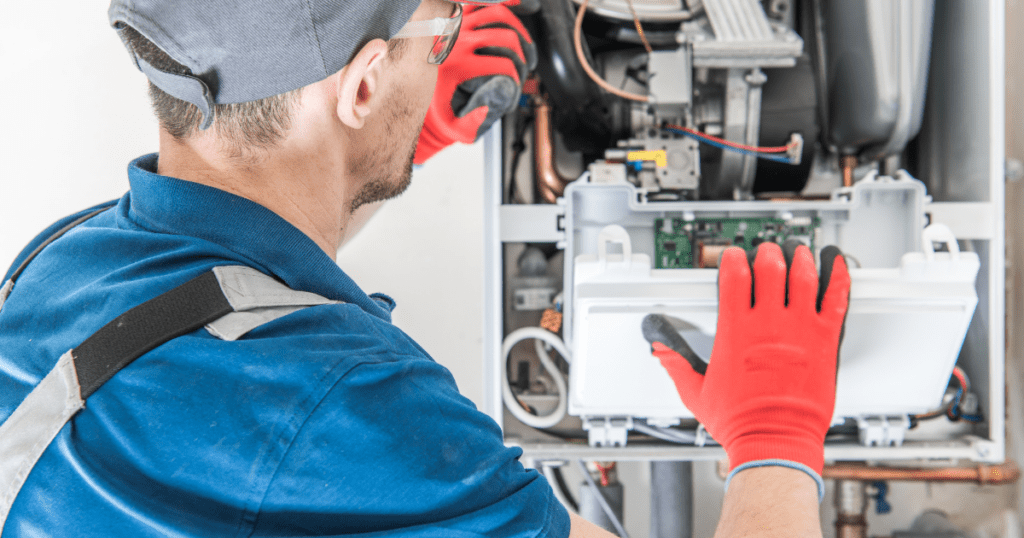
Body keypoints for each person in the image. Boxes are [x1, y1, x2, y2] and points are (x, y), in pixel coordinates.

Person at [0, 0, 849, 536]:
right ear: (361, 86)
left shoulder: (61, 263)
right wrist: (774, 437)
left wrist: (397, 143)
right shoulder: (357, 413)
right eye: (438, 29)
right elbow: (298, 405)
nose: (445, 49)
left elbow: (236, 297)